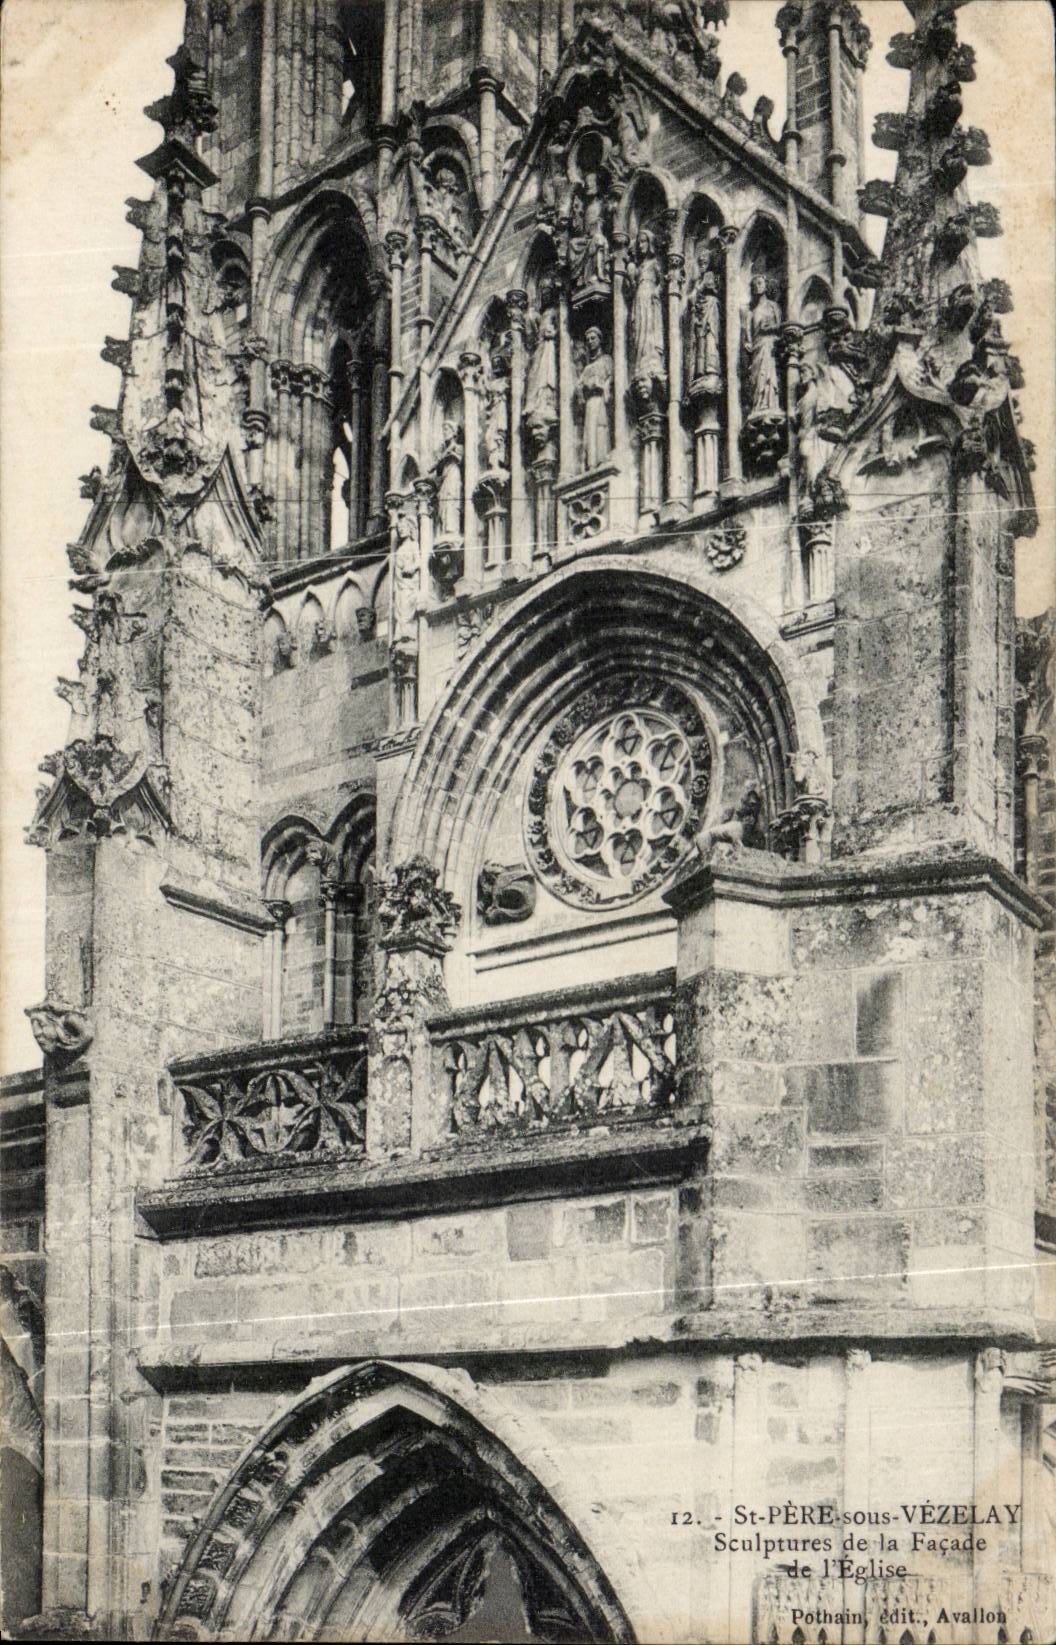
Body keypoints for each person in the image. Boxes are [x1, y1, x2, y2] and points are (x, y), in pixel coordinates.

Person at [628, 228, 666, 393]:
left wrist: (657, 291)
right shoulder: (639, 266)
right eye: (638, 242)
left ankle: (652, 359)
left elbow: (663, 280)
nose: (640, 245)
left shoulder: (654, 263)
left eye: (643, 241)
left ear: (650, 243)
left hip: (650, 298)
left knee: (649, 329)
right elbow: (631, 285)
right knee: (639, 332)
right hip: (639, 299)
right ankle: (641, 361)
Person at [741, 272, 782, 416]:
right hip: (757, 349)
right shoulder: (750, 313)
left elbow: (780, 328)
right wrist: (748, 344)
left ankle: (770, 403)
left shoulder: (773, 306)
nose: (757, 287)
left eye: (760, 283)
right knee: (758, 379)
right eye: (754, 285)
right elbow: (748, 337)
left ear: (765, 285)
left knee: (769, 376)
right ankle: (759, 405)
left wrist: (768, 329)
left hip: (769, 345)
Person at [575, 327, 613, 468]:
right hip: (590, 402)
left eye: (593, 338)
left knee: (601, 427)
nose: (590, 342)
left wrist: (602, 386)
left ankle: (602, 458)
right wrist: (584, 387)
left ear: (600, 340)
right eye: (588, 339)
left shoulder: (606, 360)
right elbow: (579, 387)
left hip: (601, 400)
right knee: (589, 431)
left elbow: (611, 380)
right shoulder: (586, 368)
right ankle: (591, 463)